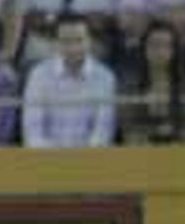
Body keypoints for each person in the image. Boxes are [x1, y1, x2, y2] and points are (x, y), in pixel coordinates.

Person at [21, 13, 117, 148]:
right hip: (46, 162)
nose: (73, 48)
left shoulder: (105, 77)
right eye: (65, 41)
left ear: (90, 41)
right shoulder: (38, 75)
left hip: (91, 162)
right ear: (55, 43)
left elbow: (102, 132)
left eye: (79, 40)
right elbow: (33, 132)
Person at [117, 21, 185, 144]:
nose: (160, 51)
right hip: (140, 152)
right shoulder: (129, 84)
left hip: (179, 151)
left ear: (174, 50)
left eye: (166, 45)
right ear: (144, 48)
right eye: (154, 45)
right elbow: (127, 128)